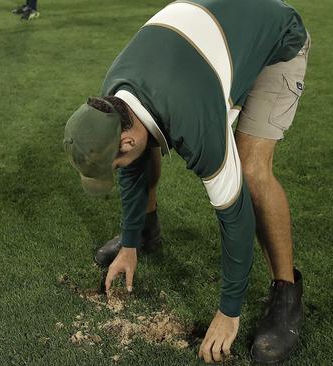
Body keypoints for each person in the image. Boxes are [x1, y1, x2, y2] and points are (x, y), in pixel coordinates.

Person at [63, 0, 310, 363]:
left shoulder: (194, 120)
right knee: (140, 158)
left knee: (251, 170)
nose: (115, 172)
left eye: (111, 165)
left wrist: (229, 311)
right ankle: (146, 232)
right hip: (219, 34)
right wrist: (129, 243)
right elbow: (133, 165)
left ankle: (287, 292)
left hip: (277, 39)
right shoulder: (115, 99)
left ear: (124, 140)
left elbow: (234, 214)